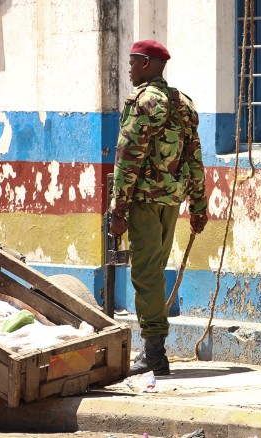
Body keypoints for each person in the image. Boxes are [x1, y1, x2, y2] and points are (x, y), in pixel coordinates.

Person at [110, 40, 209, 376]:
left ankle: (154, 355)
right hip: (172, 200)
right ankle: (154, 350)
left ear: (149, 64)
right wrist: (199, 205)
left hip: (144, 201)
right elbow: (194, 156)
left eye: (134, 62)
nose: (130, 68)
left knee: (146, 274)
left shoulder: (142, 102)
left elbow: (128, 157)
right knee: (154, 269)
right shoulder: (184, 103)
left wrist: (118, 207)